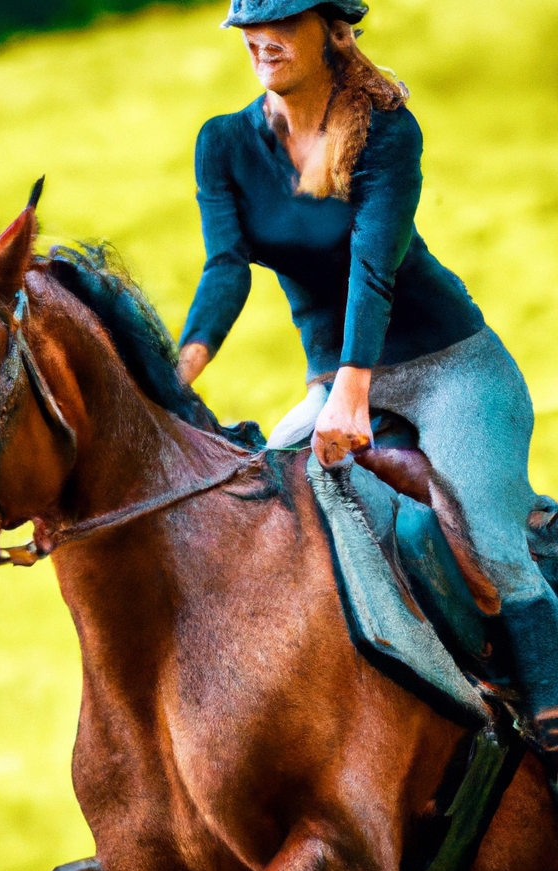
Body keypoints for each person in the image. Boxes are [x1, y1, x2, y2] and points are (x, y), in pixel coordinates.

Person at [176, 0, 558, 781]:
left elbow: (371, 267)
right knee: (254, 524)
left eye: (281, 18)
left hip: (450, 368)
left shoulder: (386, 131)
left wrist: (351, 397)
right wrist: (172, 377)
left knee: (487, 533)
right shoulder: (224, 145)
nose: (259, 37)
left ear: (330, 28)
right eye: (250, 23)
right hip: (338, 380)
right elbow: (225, 269)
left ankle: (551, 709)